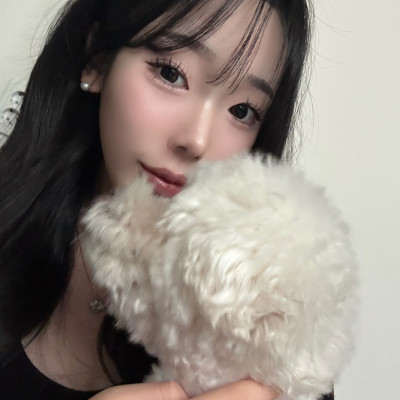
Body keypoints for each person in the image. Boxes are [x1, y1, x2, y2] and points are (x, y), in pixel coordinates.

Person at [0, 0, 333, 399]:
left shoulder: (267, 328)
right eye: (171, 73)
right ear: (98, 61)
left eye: (242, 111)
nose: (196, 140)